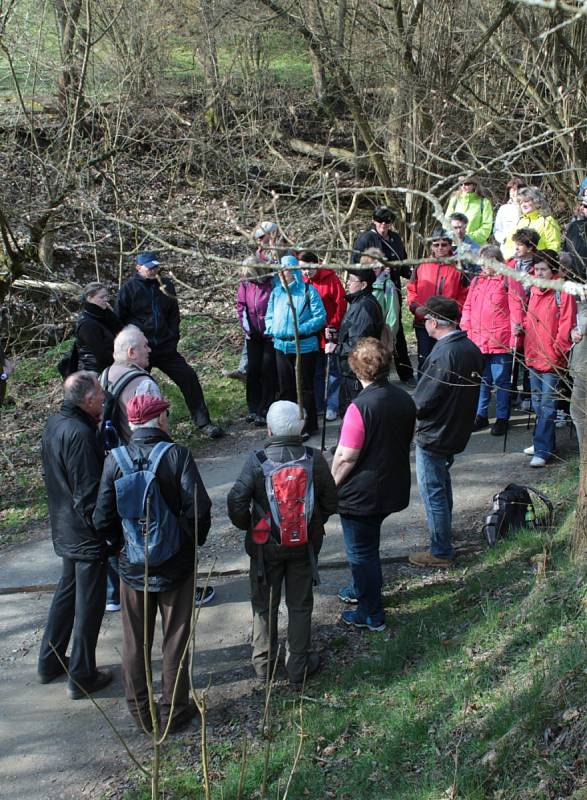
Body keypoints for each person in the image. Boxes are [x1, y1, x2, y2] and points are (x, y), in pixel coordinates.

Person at [93, 394, 212, 732]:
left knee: (135, 642)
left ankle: (141, 714)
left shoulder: (114, 460)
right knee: (175, 639)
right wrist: (189, 544)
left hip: (132, 569)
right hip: (175, 567)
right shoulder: (177, 455)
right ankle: (173, 712)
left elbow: (102, 517)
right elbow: (199, 510)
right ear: (159, 419)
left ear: (131, 423)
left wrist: (121, 547)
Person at [100, 326, 215, 608]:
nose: (150, 350)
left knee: (128, 528)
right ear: (130, 352)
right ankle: (174, 588)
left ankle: (117, 592)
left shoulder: (103, 377)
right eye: (144, 346)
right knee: (162, 529)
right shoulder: (144, 384)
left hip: (117, 465)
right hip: (152, 466)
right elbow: (157, 424)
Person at [227, 400, 338, 683]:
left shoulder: (257, 461)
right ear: (301, 427)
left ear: (269, 429)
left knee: (265, 604)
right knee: (300, 605)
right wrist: (313, 523)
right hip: (304, 545)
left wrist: (252, 527)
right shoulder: (314, 459)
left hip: (266, 547)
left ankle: (264, 666)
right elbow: (330, 501)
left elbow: (236, 503)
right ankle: (298, 666)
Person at [331, 338, 416, 631]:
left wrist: (330, 486)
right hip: (392, 483)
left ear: (357, 369)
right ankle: (361, 589)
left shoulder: (360, 407)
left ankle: (370, 613)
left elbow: (345, 457)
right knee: (368, 547)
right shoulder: (404, 398)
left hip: (362, 494)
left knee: (362, 553)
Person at [37, 371, 112, 698]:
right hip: (84, 534)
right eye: (100, 394)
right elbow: (88, 495)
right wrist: (106, 531)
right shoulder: (80, 435)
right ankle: (82, 674)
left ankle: (49, 662)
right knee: (89, 604)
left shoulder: (55, 424)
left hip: (64, 528)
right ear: (87, 399)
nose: (105, 398)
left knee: (66, 596)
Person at [409, 297, 483, 567]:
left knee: (433, 491)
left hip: (435, 433)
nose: (423, 323)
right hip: (456, 429)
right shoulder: (470, 347)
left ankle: (440, 550)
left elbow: (423, 401)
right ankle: (445, 533)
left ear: (434, 322)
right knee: (442, 482)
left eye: (425, 319)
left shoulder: (443, 354)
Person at [116, 252, 222, 438]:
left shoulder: (166, 286)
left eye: (155, 266)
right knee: (138, 389)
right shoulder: (128, 289)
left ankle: (203, 423)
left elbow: (174, 314)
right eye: (149, 267)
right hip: (141, 351)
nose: (153, 270)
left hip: (165, 346)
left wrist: (173, 337)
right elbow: (119, 319)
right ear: (138, 268)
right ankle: (137, 433)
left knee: (188, 377)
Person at [514, 252, 577, 467]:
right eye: (536, 269)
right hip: (533, 354)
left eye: (543, 270)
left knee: (548, 405)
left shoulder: (563, 291)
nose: (538, 273)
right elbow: (529, 316)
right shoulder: (533, 289)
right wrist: (521, 327)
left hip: (551, 358)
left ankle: (542, 449)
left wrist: (557, 351)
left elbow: (566, 324)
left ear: (554, 271)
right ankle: (542, 441)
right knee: (537, 403)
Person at [460, 245, 524, 436]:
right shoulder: (477, 281)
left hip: (500, 340)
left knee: (502, 381)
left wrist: (515, 335)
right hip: (478, 340)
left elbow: (516, 308)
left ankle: (503, 417)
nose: (483, 267)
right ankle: (481, 415)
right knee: (482, 380)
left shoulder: (509, 279)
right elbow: (468, 306)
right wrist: (466, 328)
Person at [351, 205, 415, 384]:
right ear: (374, 220)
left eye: (387, 221)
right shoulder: (365, 240)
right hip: (372, 290)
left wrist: (412, 274)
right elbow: (356, 267)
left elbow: (402, 263)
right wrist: (375, 273)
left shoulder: (395, 238)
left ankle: (406, 373)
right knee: (372, 332)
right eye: (380, 221)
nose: (383, 225)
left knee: (395, 330)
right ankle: (372, 373)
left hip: (391, 290)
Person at [265, 255, 326, 437]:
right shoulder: (276, 292)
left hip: (304, 347)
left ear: (295, 271)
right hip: (281, 347)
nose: (285, 274)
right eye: (282, 271)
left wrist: (300, 329)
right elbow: (268, 316)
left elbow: (320, 317)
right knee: (286, 388)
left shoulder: (308, 291)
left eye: (288, 270)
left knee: (304, 388)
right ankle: (287, 426)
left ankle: (307, 425)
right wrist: (272, 328)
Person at [406, 229, 469, 374]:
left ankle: (446, 394)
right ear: (431, 246)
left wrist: (454, 312)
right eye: (436, 245)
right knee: (425, 360)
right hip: (424, 321)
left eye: (444, 244)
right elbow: (411, 289)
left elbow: (464, 295)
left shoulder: (459, 268)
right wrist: (415, 308)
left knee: (446, 361)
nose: (440, 248)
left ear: (450, 246)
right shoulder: (421, 265)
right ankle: (422, 394)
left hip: (447, 324)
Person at [330, 266, 383, 419]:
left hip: (358, 371)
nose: (347, 283)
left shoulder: (364, 306)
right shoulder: (358, 303)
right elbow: (352, 332)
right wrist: (335, 334)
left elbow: (358, 343)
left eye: (352, 280)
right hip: (351, 371)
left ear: (364, 285)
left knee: (354, 415)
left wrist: (336, 348)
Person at [299, 250, 347, 421]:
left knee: (333, 370)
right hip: (312, 334)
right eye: (303, 269)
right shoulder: (302, 282)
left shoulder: (331, 279)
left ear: (317, 264)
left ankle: (332, 405)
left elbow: (340, 304)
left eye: (310, 268)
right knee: (316, 371)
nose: (307, 272)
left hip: (329, 331)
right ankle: (318, 405)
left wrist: (332, 325)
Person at [236, 257, 277, 426]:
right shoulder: (245, 284)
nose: (246, 277)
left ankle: (265, 407)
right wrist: (248, 329)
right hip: (252, 334)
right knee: (252, 370)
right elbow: (241, 306)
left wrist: (273, 329)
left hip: (270, 334)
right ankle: (253, 408)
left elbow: (277, 305)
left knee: (267, 369)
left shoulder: (272, 283)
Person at [503, 187, 561, 260]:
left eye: (526, 201)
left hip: (538, 264)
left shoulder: (547, 220)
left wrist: (545, 263)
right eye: (521, 202)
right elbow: (509, 244)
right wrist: (508, 259)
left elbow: (553, 246)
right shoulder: (519, 221)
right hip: (517, 264)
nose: (523, 205)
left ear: (536, 201)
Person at [75, 283, 121, 374]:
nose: (106, 299)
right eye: (102, 297)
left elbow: (121, 330)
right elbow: (101, 355)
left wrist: (110, 313)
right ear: (89, 298)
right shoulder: (87, 324)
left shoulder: (102, 315)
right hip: (95, 372)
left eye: (106, 296)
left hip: (109, 367)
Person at [360, 249, 401, 350]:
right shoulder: (359, 283)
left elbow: (393, 314)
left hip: (380, 337)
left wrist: (389, 339)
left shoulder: (388, 285)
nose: (375, 268)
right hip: (362, 337)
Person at [445, 176, 493, 245]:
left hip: (476, 246)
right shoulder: (455, 200)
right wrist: (452, 237)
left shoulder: (484, 202)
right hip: (455, 245)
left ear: (474, 185)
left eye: (467, 184)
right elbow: (446, 223)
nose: (463, 186)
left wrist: (468, 238)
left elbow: (486, 227)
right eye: (461, 184)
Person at [570, 298, 587, 453]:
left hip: (584, 368)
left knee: (579, 412)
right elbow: (579, 328)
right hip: (581, 365)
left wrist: (582, 303)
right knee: (577, 412)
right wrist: (573, 332)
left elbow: (584, 324)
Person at [493, 177, 526, 246]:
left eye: (518, 190)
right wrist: (504, 239)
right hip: (507, 250)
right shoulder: (504, 209)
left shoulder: (528, 208)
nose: (515, 193)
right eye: (513, 190)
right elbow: (497, 230)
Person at [563, 197, 587, 281]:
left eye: (585, 205)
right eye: (581, 205)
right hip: (574, 278)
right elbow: (566, 251)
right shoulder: (575, 226)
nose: (581, 208)